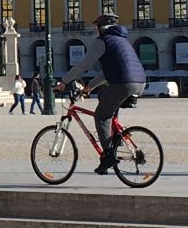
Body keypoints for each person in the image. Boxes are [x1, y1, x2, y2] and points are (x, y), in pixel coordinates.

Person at [53, 13, 146, 175]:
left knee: (101, 116)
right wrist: (89, 87)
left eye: (96, 28)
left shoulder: (103, 41)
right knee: (105, 98)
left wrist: (64, 82)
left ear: (100, 28)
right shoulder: (122, 41)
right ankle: (117, 138)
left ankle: (109, 156)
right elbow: (106, 72)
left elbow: (83, 66)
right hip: (139, 82)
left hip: (122, 83)